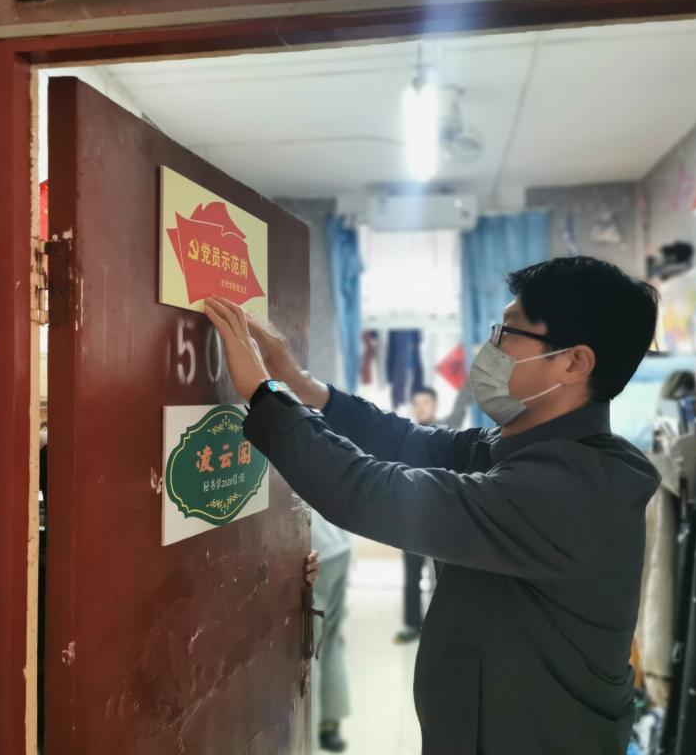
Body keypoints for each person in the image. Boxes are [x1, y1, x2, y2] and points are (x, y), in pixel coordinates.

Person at [204, 255, 661, 754]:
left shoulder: (575, 490)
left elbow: (369, 491)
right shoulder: (520, 448)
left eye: (508, 332)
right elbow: (405, 441)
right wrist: (302, 385)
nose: (490, 348)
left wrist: (265, 394)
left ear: (574, 362)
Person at [395, 387, 440, 645]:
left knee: (439, 578)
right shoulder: (407, 440)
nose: (421, 407)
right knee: (411, 577)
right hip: (411, 522)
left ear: (435, 405)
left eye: (426, 402)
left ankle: (436, 628)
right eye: (417, 403)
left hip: (440, 522)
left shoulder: (447, 438)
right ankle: (412, 624)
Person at [309, 509, 353, 752]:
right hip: (340, 545)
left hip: (315, 553)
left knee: (311, 646)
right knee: (331, 639)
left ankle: (308, 730)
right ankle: (330, 724)